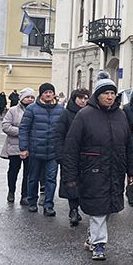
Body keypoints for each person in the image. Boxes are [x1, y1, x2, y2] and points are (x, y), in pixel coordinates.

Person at [61, 72, 133, 261]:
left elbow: (128, 145)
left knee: (109, 208)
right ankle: (99, 244)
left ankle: (92, 237)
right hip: (92, 170)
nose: (110, 97)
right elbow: (71, 146)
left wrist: (132, 169)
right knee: (98, 209)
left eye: (112, 93)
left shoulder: (120, 115)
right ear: (97, 95)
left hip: (115, 170)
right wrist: (70, 175)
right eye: (105, 93)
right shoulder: (84, 115)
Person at [19, 82, 65, 217]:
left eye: (51, 92)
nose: (48, 94)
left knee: (51, 179)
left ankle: (48, 205)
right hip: (35, 150)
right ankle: (32, 202)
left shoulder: (60, 110)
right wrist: (24, 148)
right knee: (33, 178)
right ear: (41, 94)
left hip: (53, 151)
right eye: (46, 92)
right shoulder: (31, 109)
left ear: (54, 94)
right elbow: (24, 129)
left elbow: (63, 130)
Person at [55, 88, 90, 227]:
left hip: (87, 155)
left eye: (86, 98)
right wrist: (60, 155)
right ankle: (73, 210)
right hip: (70, 154)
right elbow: (59, 135)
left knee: (86, 183)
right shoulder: (66, 114)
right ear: (74, 99)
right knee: (71, 183)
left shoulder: (90, 113)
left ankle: (83, 208)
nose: (83, 101)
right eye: (80, 98)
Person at [1, 88, 35, 204]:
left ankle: (25, 195)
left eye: (32, 97)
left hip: (31, 147)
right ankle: (11, 191)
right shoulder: (13, 110)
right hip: (15, 146)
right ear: (21, 98)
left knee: (28, 173)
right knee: (13, 170)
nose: (30, 99)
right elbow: (6, 126)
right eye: (27, 97)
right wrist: (22, 131)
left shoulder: (36, 111)